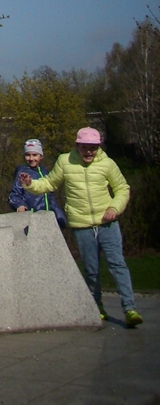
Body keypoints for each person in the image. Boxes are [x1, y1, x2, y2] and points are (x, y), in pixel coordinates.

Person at [19, 127, 142, 327]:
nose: (89, 152)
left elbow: (122, 188)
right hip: (82, 225)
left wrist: (114, 207)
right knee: (91, 269)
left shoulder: (107, 163)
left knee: (117, 264)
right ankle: (97, 307)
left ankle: (130, 308)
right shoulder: (65, 162)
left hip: (107, 223)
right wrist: (30, 184)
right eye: (85, 148)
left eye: (93, 148)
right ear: (77, 146)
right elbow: (49, 184)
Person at [8, 138, 66, 228]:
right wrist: (20, 205)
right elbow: (14, 194)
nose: (31, 158)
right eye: (28, 155)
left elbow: (50, 197)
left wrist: (59, 215)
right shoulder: (22, 173)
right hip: (31, 218)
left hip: (48, 217)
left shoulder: (45, 171)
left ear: (41, 156)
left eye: (35, 155)